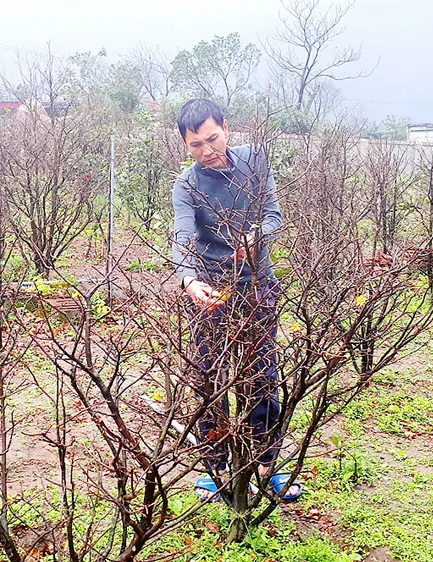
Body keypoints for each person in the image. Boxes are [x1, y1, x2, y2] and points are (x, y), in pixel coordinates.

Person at [171, 98, 300, 502]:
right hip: (211, 291)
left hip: (258, 285)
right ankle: (217, 467)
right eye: (196, 145)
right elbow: (184, 235)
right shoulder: (187, 186)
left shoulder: (256, 161)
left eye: (212, 138)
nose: (207, 151)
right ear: (185, 144)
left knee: (262, 375)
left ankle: (267, 463)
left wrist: (256, 233)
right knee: (210, 377)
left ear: (226, 127)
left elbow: (274, 214)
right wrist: (189, 278)